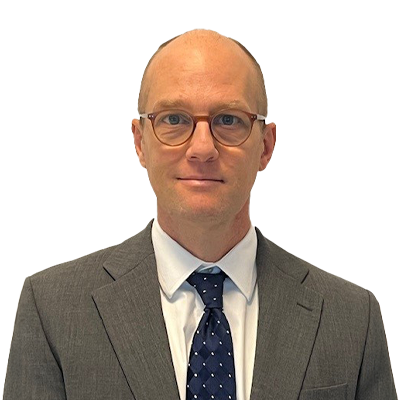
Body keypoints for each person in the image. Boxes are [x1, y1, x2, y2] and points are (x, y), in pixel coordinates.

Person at [3, 30, 396, 400]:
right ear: (140, 143)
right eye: (174, 119)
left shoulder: (351, 317)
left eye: (229, 120)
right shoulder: (52, 309)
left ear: (266, 146)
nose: (203, 148)